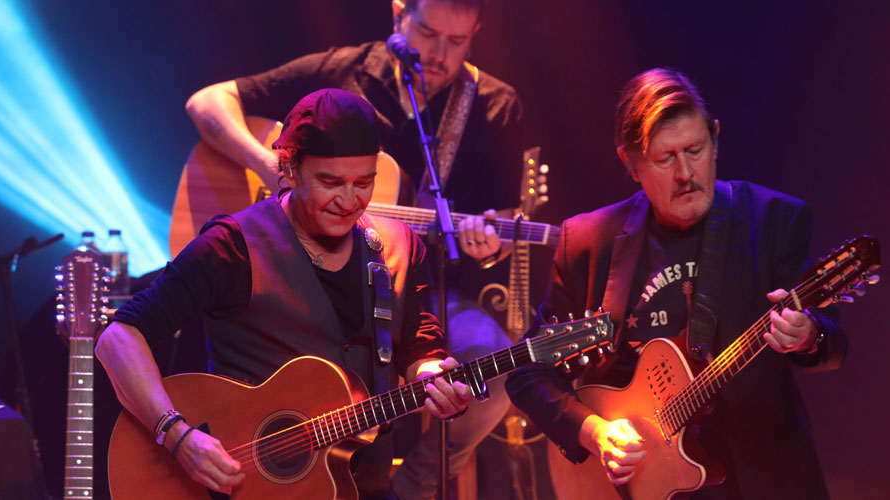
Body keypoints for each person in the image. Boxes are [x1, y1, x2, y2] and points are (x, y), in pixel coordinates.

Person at [185, 0, 523, 496]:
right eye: (428, 34)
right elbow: (207, 102)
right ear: (399, 15)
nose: (439, 54)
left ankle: (414, 485)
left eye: (458, 42)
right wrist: (267, 166)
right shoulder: (341, 70)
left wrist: (486, 246)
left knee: (497, 369)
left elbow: (497, 235)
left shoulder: (495, 105)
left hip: (426, 292)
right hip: (314, 281)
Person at [95, 89, 474, 499]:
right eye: (331, 182)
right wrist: (177, 435)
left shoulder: (399, 247)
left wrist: (433, 378)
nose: (349, 201)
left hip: (364, 484)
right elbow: (118, 338)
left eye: (364, 183)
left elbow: (420, 352)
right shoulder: (233, 245)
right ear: (290, 169)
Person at [505, 68, 847, 499]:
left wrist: (808, 335)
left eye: (696, 150)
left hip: (756, 474)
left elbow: (832, 340)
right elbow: (527, 371)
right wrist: (594, 433)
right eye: (666, 158)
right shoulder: (589, 242)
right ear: (630, 163)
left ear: (716, 137)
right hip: (635, 484)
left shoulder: (774, 220)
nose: (686, 173)